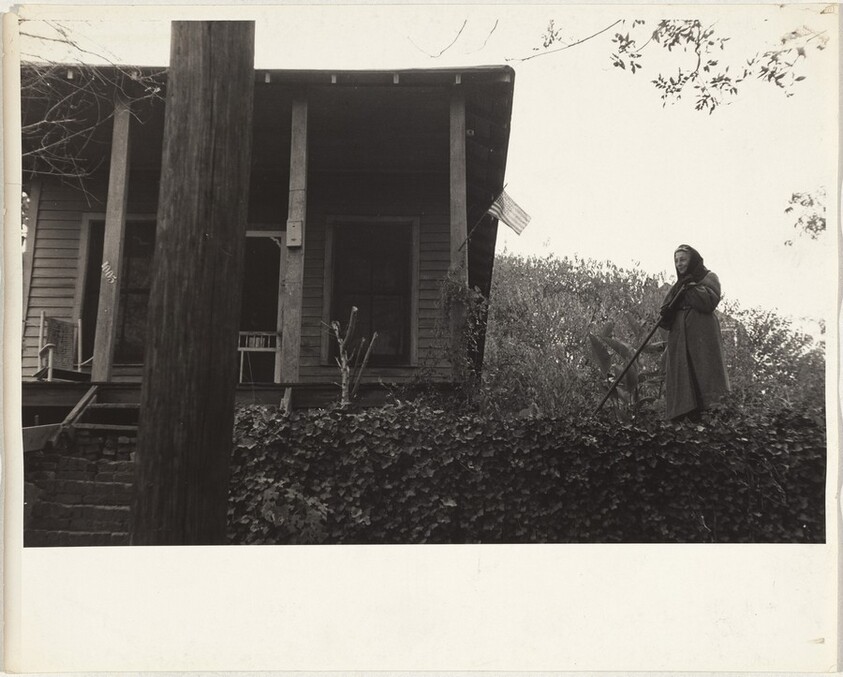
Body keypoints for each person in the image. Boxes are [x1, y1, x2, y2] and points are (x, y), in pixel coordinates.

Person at [659, 244, 729, 421]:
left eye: (683, 259)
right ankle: (684, 417)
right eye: (676, 261)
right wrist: (668, 310)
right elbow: (665, 317)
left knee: (705, 375)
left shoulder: (709, 277)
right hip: (680, 338)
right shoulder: (677, 287)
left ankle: (712, 414)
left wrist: (690, 288)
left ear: (693, 260)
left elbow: (709, 301)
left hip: (702, 337)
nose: (679, 264)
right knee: (683, 376)